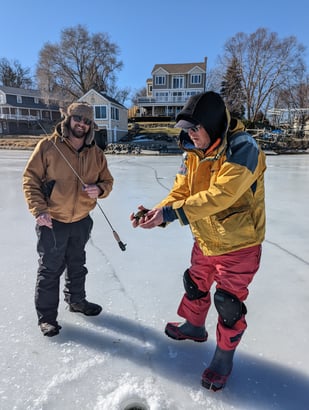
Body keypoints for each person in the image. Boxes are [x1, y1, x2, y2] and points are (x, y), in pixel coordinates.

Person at [130, 91, 266, 391]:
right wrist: (157, 211)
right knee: (195, 283)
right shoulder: (191, 150)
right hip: (204, 238)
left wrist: (170, 214)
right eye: (186, 129)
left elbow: (221, 195)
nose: (190, 135)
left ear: (213, 124)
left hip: (240, 244)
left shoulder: (244, 147)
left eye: (195, 128)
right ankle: (193, 327)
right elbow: (180, 192)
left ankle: (223, 356)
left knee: (228, 303)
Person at [23, 102, 114, 337]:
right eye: (78, 119)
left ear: (90, 126)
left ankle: (77, 301)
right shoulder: (48, 146)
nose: (81, 124)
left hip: (82, 220)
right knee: (50, 269)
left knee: (77, 264)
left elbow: (108, 181)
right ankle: (47, 318)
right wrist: (39, 210)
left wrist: (100, 189)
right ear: (68, 119)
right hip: (52, 219)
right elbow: (30, 179)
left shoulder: (96, 153)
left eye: (86, 121)